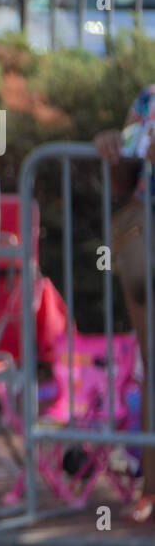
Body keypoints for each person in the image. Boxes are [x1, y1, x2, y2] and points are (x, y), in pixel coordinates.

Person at [94, 83, 155, 523]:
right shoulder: (148, 100)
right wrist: (111, 150)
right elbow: (123, 182)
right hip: (145, 238)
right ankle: (152, 490)